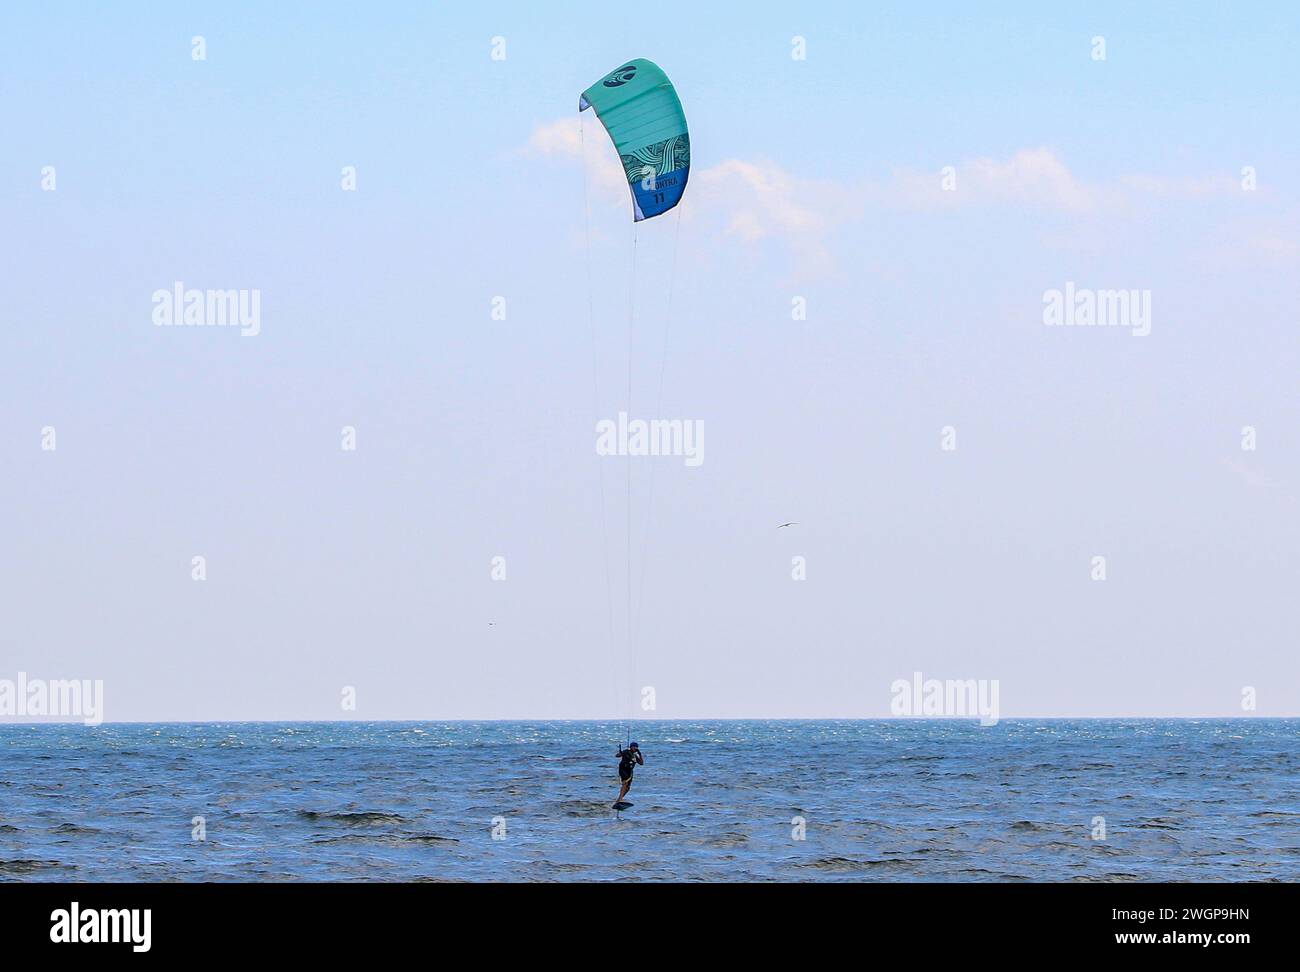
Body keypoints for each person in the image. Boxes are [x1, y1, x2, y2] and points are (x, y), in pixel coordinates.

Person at [614, 742, 643, 807]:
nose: (635, 748)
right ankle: (620, 799)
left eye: (636, 747)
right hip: (623, 769)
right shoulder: (626, 751)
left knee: (628, 788)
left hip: (630, 771)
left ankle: (618, 800)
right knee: (625, 783)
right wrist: (621, 753)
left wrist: (640, 754)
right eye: (634, 747)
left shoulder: (635, 755)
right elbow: (617, 755)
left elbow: (641, 763)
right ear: (631, 747)